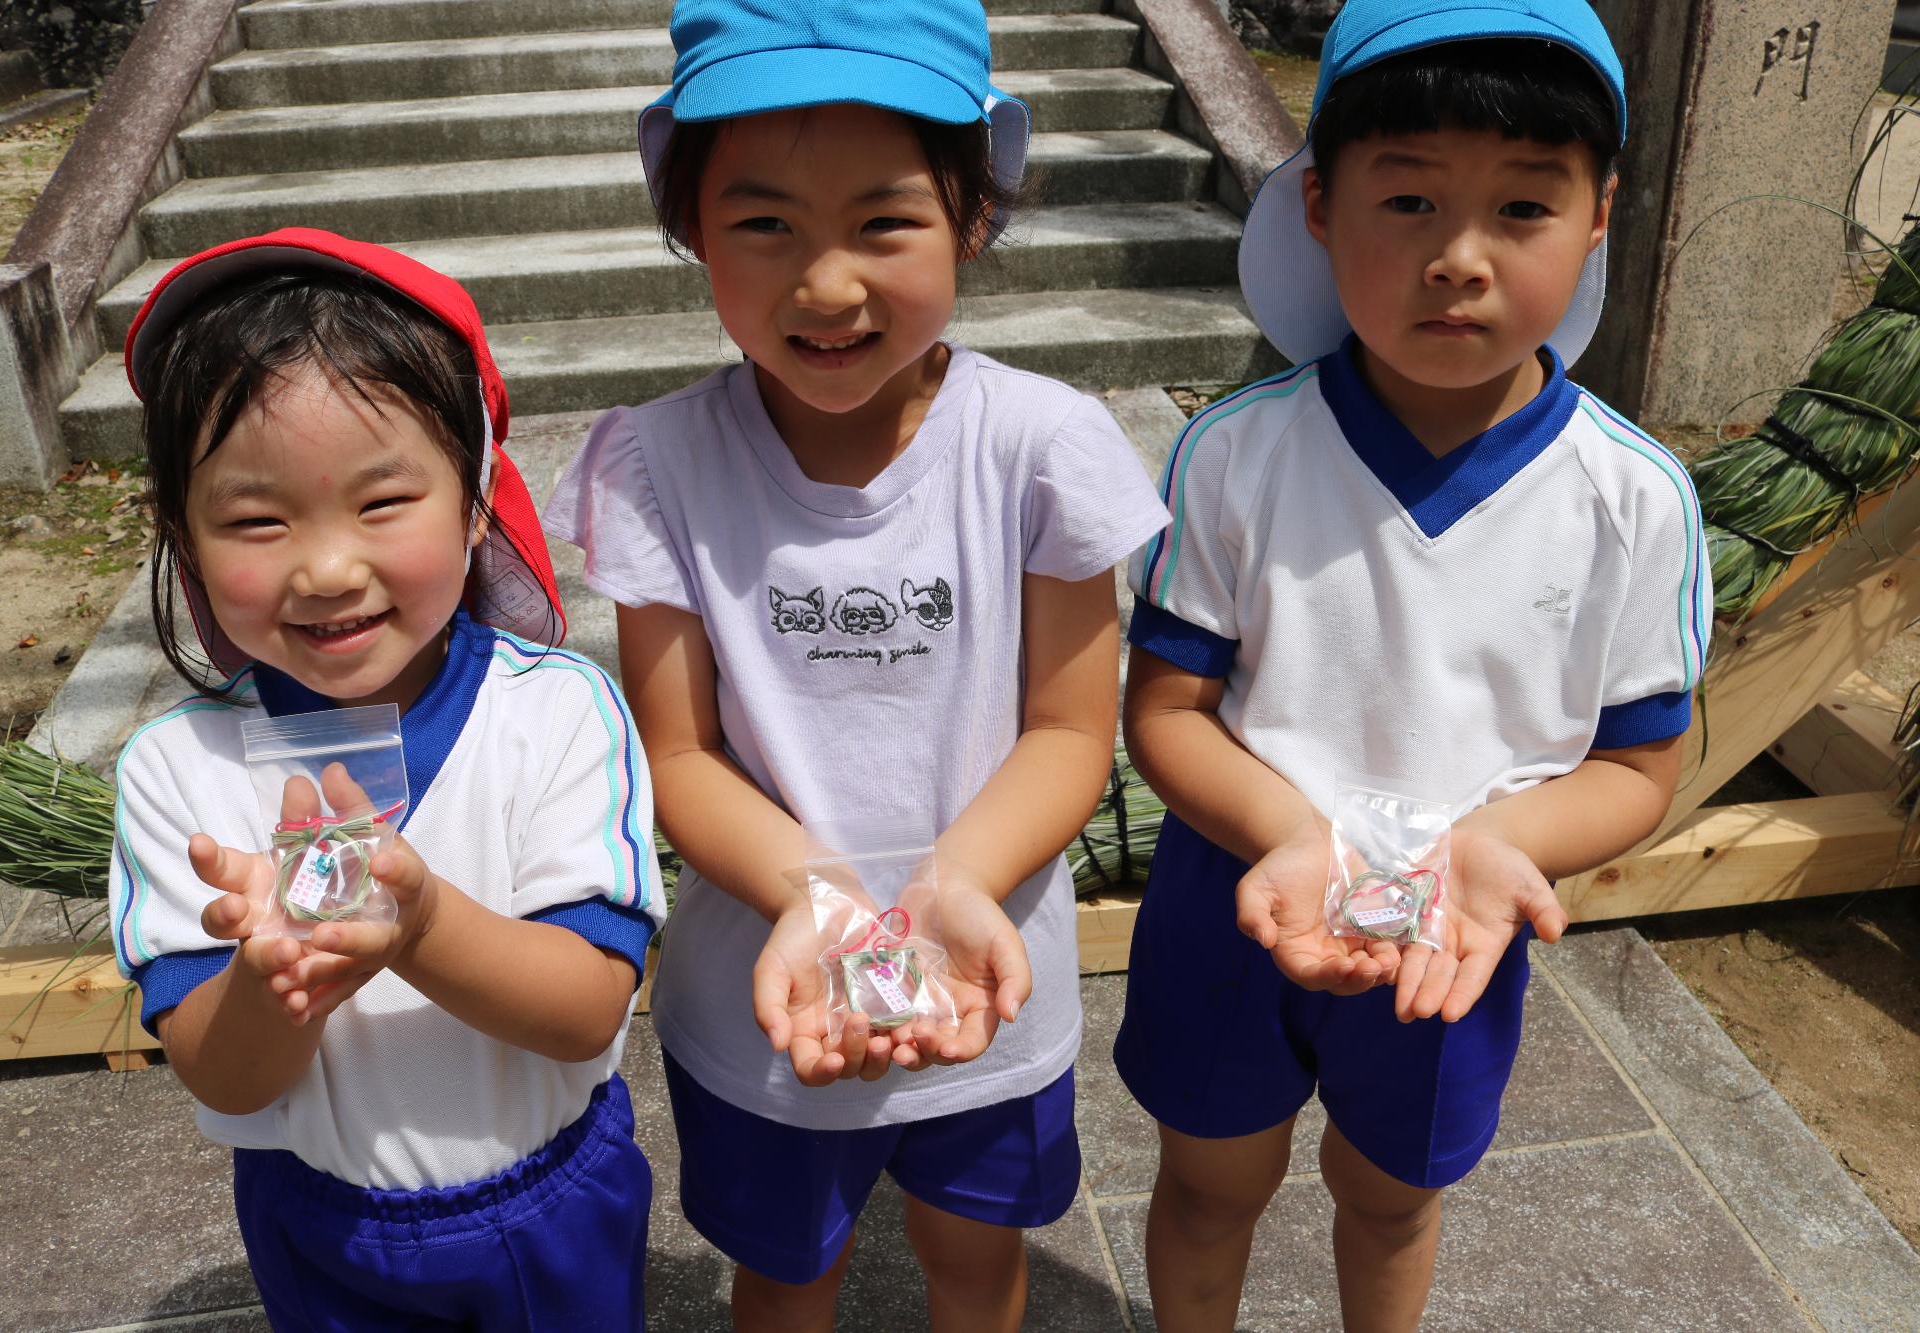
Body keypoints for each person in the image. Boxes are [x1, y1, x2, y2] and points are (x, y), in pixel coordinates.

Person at [541, 1, 1169, 1326]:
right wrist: (821, 902)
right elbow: (680, 755)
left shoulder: (1044, 446)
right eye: (762, 223)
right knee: (783, 1273)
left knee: (976, 1260)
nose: (825, 285)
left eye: (885, 222)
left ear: (974, 218)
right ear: (690, 227)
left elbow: (1069, 734)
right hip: (766, 989)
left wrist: (953, 885)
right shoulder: (655, 466)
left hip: (989, 972)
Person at [1112, 2, 1712, 1327]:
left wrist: (1501, 848)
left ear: (1599, 213)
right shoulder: (1238, 454)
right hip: (1242, 886)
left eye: (1522, 208)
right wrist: (1289, 832)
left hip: (1459, 918)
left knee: (1391, 1198)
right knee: (1212, 1180)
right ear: (1320, 206)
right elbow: (1168, 710)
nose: (1459, 259)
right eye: (1410, 200)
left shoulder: (1634, 498)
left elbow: (1638, 762)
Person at [107, 229, 661, 1331]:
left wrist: (418, 923)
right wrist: (274, 978)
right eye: (256, 518)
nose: (324, 567)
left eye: (380, 502)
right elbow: (225, 1078)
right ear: (183, 538)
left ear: (474, 504)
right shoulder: (178, 770)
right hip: (323, 1222)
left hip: (548, 1200)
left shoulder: (554, 714)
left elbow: (586, 1007)